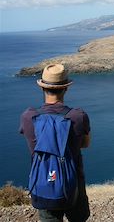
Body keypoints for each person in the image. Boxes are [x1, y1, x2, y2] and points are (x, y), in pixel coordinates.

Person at [19, 64, 91, 222]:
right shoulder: (78, 116)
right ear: (66, 88)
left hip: (44, 179)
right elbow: (85, 144)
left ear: (42, 88)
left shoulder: (28, 117)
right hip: (74, 180)